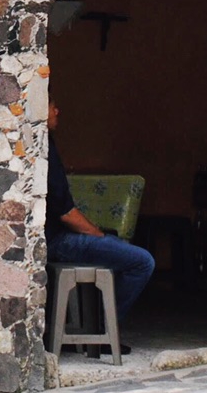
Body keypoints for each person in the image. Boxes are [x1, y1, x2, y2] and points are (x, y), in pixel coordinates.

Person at [45, 102, 155, 330]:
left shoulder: (45, 144)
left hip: (57, 236)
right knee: (142, 262)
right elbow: (66, 214)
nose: (57, 111)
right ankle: (105, 330)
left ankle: (97, 327)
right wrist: (98, 234)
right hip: (58, 240)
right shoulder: (44, 147)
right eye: (53, 105)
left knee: (115, 246)